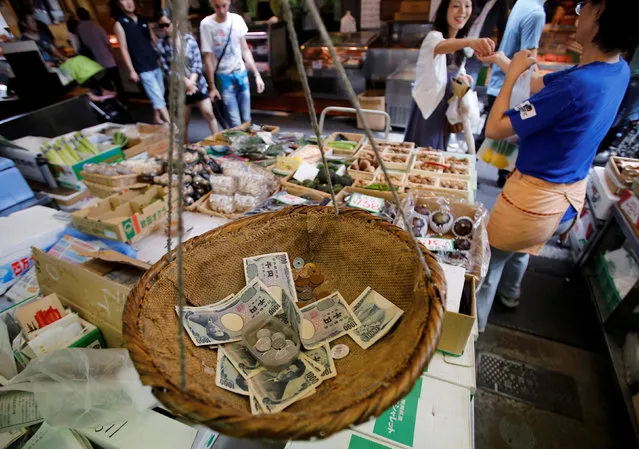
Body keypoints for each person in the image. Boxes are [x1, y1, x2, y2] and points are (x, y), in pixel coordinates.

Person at [475, 0, 639, 332]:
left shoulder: (576, 86)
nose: (579, 15)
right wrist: (507, 63)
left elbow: (494, 128)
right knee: (520, 251)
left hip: (531, 202)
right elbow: (537, 85)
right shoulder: (615, 68)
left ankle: (470, 334)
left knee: (487, 266)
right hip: (562, 201)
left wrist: (507, 79)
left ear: (600, 21)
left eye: (587, 9)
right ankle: (511, 296)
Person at [404, 0, 495, 150]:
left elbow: (456, 72)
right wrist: (470, 41)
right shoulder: (434, 37)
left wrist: (463, 79)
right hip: (428, 110)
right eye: (456, 6)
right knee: (423, 154)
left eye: (467, 6)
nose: (462, 11)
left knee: (438, 154)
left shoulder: (460, 47)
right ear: (445, 10)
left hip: (444, 114)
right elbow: (440, 47)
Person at [484, 0, 547, 187]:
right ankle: (503, 178)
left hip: (500, 83)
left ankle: (491, 172)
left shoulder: (522, 3)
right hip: (514, 89)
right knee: (504, 135)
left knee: (495, 139)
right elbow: (529, 62)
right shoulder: (536, 13)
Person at [200, 0, 265, 128]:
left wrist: (257, 75)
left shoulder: (237, 20)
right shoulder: (206, 24)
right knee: (234, 120)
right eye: (217, 7)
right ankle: (237, 146)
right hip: (224, 78)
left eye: (224, 6)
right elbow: (208, 58)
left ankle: (247, 145)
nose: (222, 11)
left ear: (229, 3)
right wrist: (212, 86)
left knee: (247, 118)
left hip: (241, 73)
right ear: (211, 5)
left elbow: (245, 50)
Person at [157, 9, 218, 141]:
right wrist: (185, 82)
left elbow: (197, 63)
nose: (165, 29)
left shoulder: (189, 39)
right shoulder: (162, 44)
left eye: (167, 24)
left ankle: (217, 141)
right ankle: (185, 149)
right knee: (184, 121)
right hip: (180, 87)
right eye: (161, 26)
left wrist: (192, 82)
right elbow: (168, 70)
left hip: (197, 84)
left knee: (209, 113)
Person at [112, 0, 169, 124]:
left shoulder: (143, 20)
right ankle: (172, 126)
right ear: (119, 4)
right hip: (141, 67)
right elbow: (124, 49)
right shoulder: (119, 24)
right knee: (157, 96)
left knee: (159, 93)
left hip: (154, 63)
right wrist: (131, 71)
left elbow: (153, 41)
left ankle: (156, 118)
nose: (128, 3)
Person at [76, 7, 123, 96]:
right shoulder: (97, 27)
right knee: (118, 84)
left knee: (106, 87)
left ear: (78, 17)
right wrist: (116, 57)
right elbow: (108, 44)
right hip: (109, 61)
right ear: (89, 16)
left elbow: (80, 47)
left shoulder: (79, 30)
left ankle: (115, 104)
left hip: (96, 64)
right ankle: (124, 102)